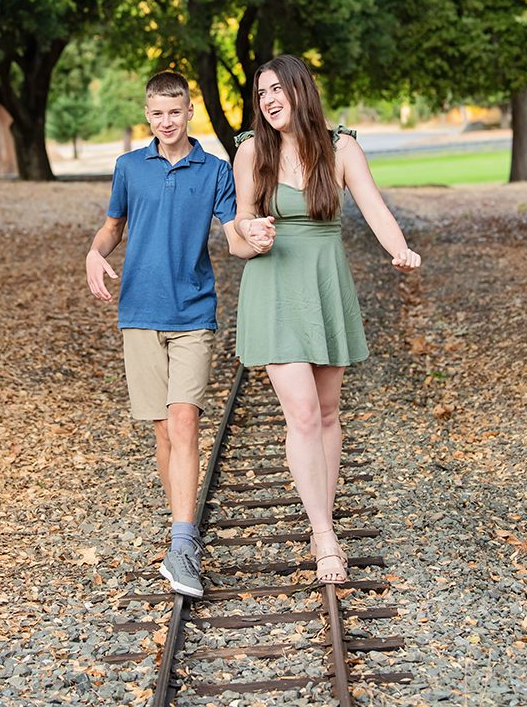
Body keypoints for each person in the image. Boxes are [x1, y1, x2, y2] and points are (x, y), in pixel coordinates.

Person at [233, 55, 420, 584]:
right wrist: (252, 235)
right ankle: (324, 535)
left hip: (324, 287)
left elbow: (375, 208)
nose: (269, 100)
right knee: (304, 414)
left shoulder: (340, 148)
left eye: (278, 90)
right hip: (273, 289)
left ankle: (323, 514)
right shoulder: (251, 151)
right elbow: (240, 222)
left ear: (301, 90)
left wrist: (399, 249)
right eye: (261, 92)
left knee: (330, 414)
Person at [86, 71, 270, 599]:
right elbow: (112, 226)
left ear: (189, 112)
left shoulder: (214, 171)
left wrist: (254, 238)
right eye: (157, 113)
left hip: (193, 314)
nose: (167, 121)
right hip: (139, 315)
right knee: (164, 432)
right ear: (148, 115)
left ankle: (183, 543)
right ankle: (181, 534)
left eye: (176, 111)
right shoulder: (128, 167)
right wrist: (94, 253)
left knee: (185, 420)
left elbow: (234, 233)